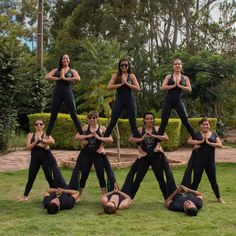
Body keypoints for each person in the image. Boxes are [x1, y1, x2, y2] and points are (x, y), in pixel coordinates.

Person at [128, 112, 176, 199]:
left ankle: (167, 199)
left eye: (151, 118)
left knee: (160, 179)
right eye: (147, 119)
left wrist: (154, 135)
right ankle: (130, 198)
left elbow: (166, 138)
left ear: (153, 120)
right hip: (144, 157)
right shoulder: (140, 130)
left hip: (156, 157)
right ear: (144, 120)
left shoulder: (157, 128)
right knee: (138, 178)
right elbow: (131, 139)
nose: (149, 120)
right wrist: (142, 138)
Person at [75, 111, 117, 196]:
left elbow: (110, 139)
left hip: (98, 155)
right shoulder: (85, 127)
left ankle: (105, 196)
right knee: (84, 176)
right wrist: (87, 136)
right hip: (87, 155)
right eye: (90, 118)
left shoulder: (102, 128)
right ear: (88, 119)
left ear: (97, 118)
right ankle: (78, 196)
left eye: (94, 117)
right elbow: (76, 137)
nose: (92, 119)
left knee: (101, 176)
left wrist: (99, 137)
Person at [183, 117, 225, 203]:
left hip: (210, 162)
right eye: (203, 124)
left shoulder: (214, 134)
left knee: (213, 180)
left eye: (207, 124)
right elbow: (189, 141)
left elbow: (220, 145)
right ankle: (191, 197)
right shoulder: (197, 134)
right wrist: (200, 142)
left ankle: (219, 198)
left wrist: (209, 143)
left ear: (209, 125)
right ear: (200, 126)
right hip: (199, 162)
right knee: (196, 180)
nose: (205, 126)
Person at [45, 54, 83, 136]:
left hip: (68, 93)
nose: (65, 60)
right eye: (63, 58)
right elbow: (47, 77)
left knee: (74, 115)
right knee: (53, 115)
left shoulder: (72, 71)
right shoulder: (56, 70)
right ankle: (47, 135)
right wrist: (58, 78)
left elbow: (78, 78)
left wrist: (65, 78)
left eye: (66, 58)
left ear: (69, 60)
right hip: (57, 94)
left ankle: (82, 134)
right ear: (61, 60)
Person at [19, 119, 55, 202]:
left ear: (43, 126)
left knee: (49, 177)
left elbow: (53, 141)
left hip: (45, 159)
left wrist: (42, 140)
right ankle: (25, 196)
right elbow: (28, 147)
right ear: (34, 126)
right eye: (37, 124)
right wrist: (36, 141)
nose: (39, 125)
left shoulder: (46, 134)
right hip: (34, 160)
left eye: (41, 124)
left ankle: (54, 195)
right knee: (31, 178)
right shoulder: (30, 135)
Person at [103, 58, 140, 138]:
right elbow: (109, 86)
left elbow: (138, 88)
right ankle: (101, 144)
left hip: (130, 100)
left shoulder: (131, 76)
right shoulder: (116, 75)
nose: (124, 66)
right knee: (113, 122)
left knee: (133, 123)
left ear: (128, 66)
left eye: (126, 65)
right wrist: (120, 84)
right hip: (119, 100)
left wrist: (126, 83)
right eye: (122, 65)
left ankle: (139, 147)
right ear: (119, 66)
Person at [158, 58, 195, 138]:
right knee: (164, 121)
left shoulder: (185, 78)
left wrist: (179, 86)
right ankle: (157, 143)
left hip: (178, 101)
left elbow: (189, 89)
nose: (177, 65)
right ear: (173, 66)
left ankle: (196, 138)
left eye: (179, 64)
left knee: (185, 121)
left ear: (181, 66)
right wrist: (173, 86)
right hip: (168, 101)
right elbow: (162, 87)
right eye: (175, 64)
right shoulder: (168, 76)